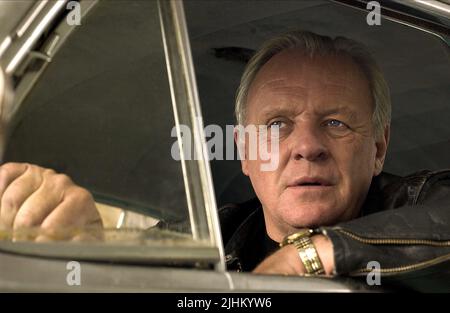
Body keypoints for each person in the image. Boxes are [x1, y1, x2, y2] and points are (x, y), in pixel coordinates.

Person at [1, 31, 449, 289]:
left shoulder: (418, 209)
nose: (306, 145)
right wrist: (89, 248)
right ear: (245, 154)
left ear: (378, 148)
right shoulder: (204, 243)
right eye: (276, 125)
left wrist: (305, 257)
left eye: (335, 123)